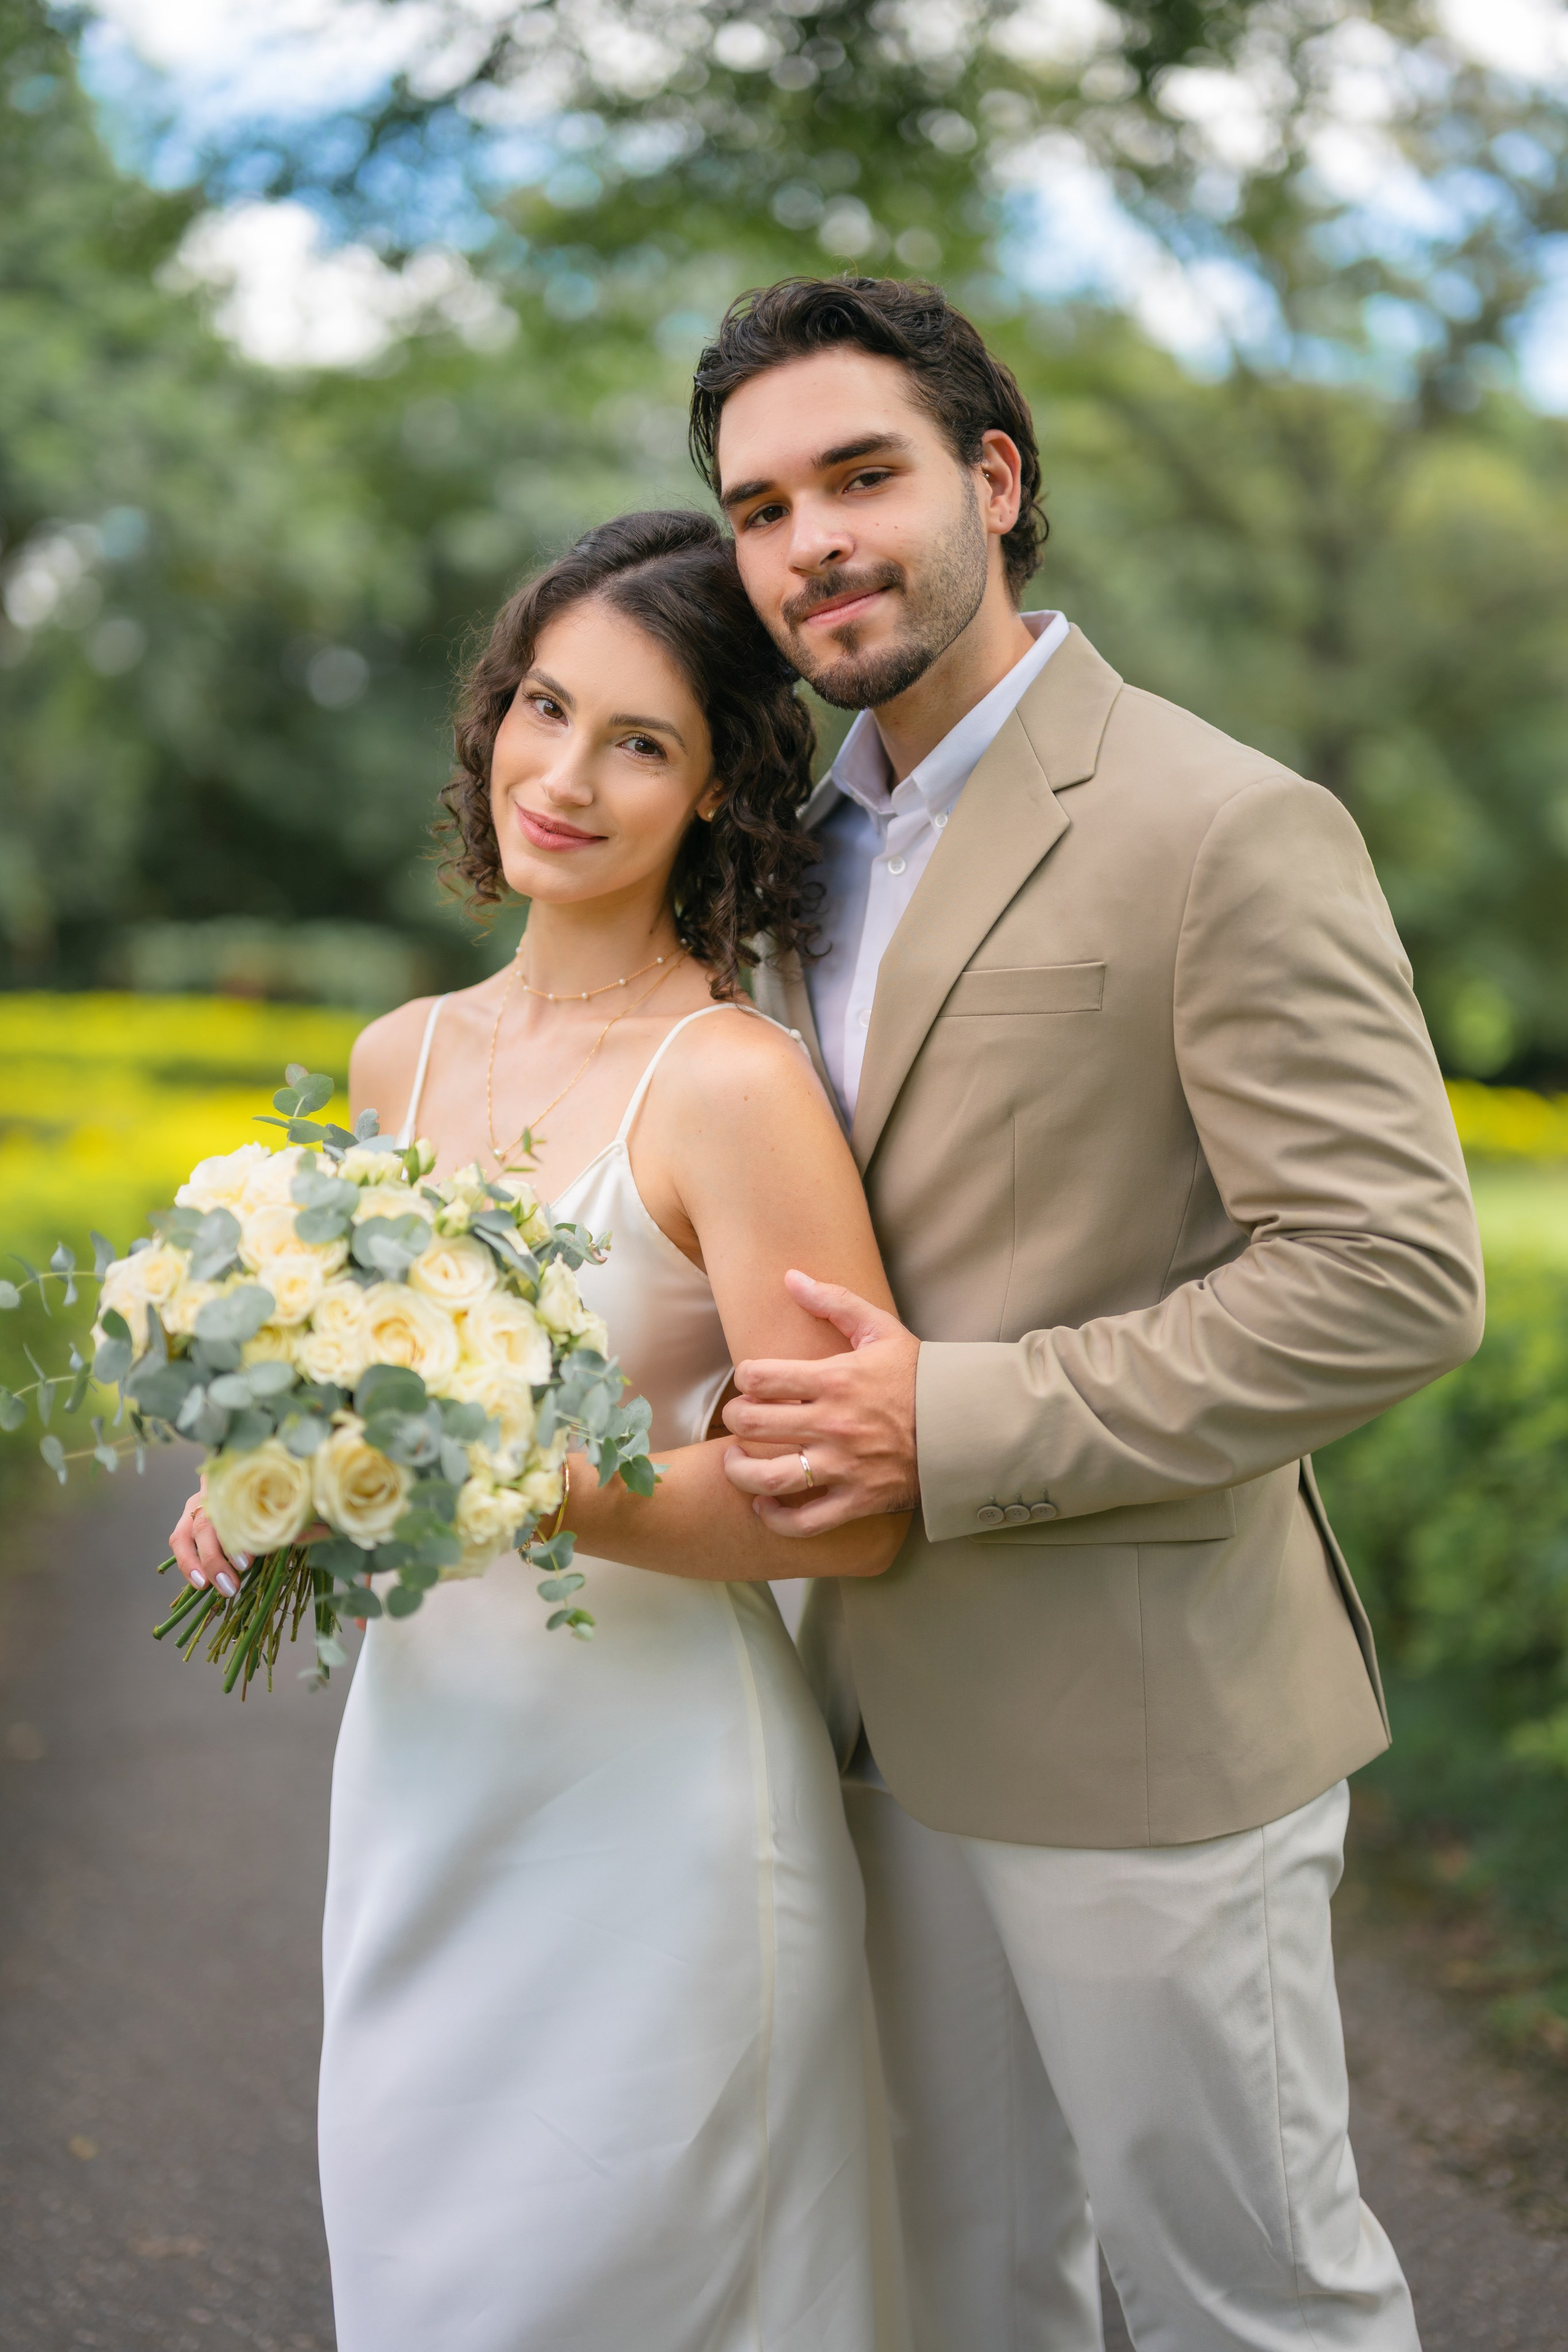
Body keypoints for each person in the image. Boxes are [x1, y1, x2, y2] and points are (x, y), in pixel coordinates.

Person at [697, 277, 1485, 2350]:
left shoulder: (1220, 823)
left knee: (1254, 2302)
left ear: (993, 478)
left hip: (1149, 1725)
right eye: (760, 507)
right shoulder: (785, 854)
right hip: (851, 1708)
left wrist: (953, 1422)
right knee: (958, 2290)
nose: (813, 545)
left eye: (859, 478)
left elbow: (1392, 1277)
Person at [168, 510, 913, 2352]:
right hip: (427, 1773)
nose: (563, 776)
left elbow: (846, 1519)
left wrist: (550, 1486)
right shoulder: (395, 1057)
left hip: (655, 1812)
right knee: (425, 2269)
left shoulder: (731, 1087)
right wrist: (279, 1489)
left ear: (722, 789)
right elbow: (376, 1401)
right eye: (543, 709)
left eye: (639, 741)